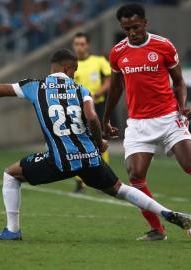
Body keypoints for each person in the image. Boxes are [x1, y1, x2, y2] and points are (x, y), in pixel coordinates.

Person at [0, 48, 191, 240]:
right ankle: (165, 212)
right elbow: (92, 118)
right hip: (89, 158)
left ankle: (12, 230)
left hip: (59, 160)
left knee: (11, 174)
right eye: (74, 69)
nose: (75, 73)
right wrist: (99, 143)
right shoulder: (81, 90)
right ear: (68, 68)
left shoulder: (34, 87)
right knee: (121, 189)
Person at [103, 4, 191, 241]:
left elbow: (180, 81)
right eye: (126, 29)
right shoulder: (117, 53)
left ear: (145, 22)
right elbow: (115, 87)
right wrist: (106, 118)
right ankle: (157, 229)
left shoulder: (163, 46)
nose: (132, 32)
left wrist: (183, 105)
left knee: (190, 166)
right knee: (135, 175)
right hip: (138, 123)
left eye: (135, 27)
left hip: (168, 117)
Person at [72, 32, 112, 193]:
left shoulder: (99, 61)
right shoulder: (70, 64)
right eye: (77, 44)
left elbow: (109, 81)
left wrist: (96, 94)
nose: (80, 47)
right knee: (75, 143)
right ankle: (80, 182)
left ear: (88, 45)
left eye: (82, 44)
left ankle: (103, 179)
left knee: (100, 141)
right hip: (75, 109)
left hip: (97, 107)